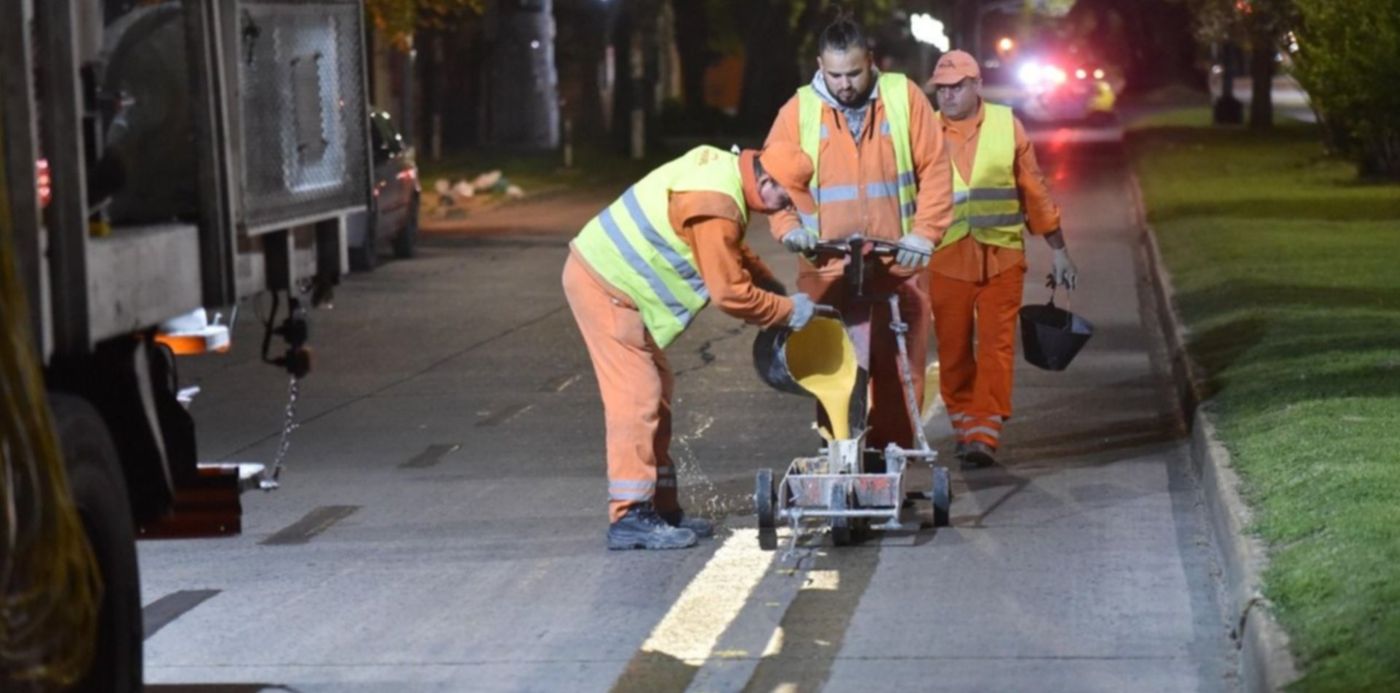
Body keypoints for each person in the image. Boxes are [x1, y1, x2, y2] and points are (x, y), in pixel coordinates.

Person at [563, 143, 819, 550]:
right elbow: (730, 294)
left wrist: (772, 288)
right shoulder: (714, 202)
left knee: (657, 392)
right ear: (765, 179)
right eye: (784, 197)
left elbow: (732, 251)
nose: (783, 207)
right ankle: (630, 515)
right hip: (605, 285)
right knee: (637, 396)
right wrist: (785, 311)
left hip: (612, 284)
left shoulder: (724, 172)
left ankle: (661, 508)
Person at [763, 15, 954, 458]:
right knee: (833, 368)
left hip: (896, 262)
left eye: (854, 73)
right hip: (826, 266)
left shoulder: (903, 98)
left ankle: (890, 464)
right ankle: (839, 457)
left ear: (871, 62)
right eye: (834, 75)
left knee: (897, 368)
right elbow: (773, 184)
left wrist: (925, 234)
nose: (845, 84)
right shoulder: (798, 112)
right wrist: (789, 230)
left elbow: (937, 172)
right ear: (819, 66)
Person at [927, 50, 1079, 468]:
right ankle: (964, 423)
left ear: (977, 85)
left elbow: (1035, 190)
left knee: (996, 347)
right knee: (954, 349)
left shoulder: (1005, 125)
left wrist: (1059, 250)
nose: (948, 95)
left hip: (1002, 255)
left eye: (957, 86)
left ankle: (983, 433)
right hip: (946, 256)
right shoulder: (923, 132)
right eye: (942, 88)